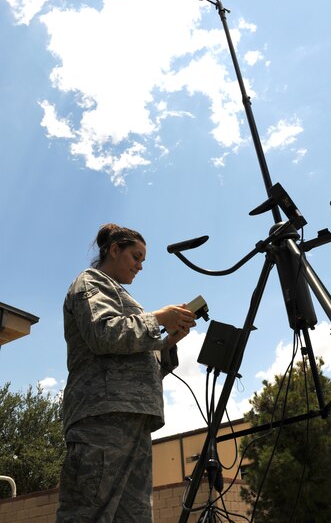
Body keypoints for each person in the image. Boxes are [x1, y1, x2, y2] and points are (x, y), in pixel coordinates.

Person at [56, 223, 196, 523]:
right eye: (136, 256)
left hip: (132, 419)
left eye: (143, 260)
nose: (140, 266)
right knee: (88, 513)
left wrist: (167, 342)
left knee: (134, 517)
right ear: (114, 249)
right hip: (101, 419)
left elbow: (135, 361)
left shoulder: (121, 295)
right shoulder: (91, 281)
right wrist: (157, 318)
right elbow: (103, 332)